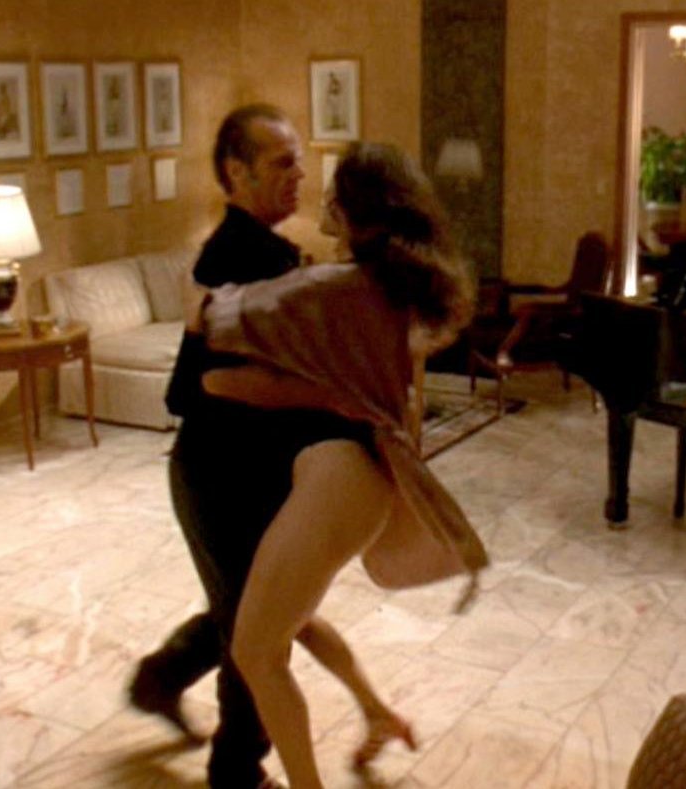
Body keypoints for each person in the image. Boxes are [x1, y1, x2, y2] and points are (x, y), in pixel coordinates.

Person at [129, 105, 416, 787]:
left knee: (265, 617)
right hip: (217, 474)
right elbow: (193, 388)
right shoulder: (238, 256)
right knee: (257, 635)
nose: (299, 175)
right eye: (282, 162)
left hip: (255, 469)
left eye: (300, 162)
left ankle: (162, 681)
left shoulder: (276, 257)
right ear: (237, 172)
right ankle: (236, 767)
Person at [200, 142, 489, 788]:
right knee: (287, 621)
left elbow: (215, 325)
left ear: (355, 210)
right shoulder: (390, 286)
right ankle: (379, 713)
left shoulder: (334, 286)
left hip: (341, 476)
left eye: (335, 192)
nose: (322, 198)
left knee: (255, 651)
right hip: (356, 472)